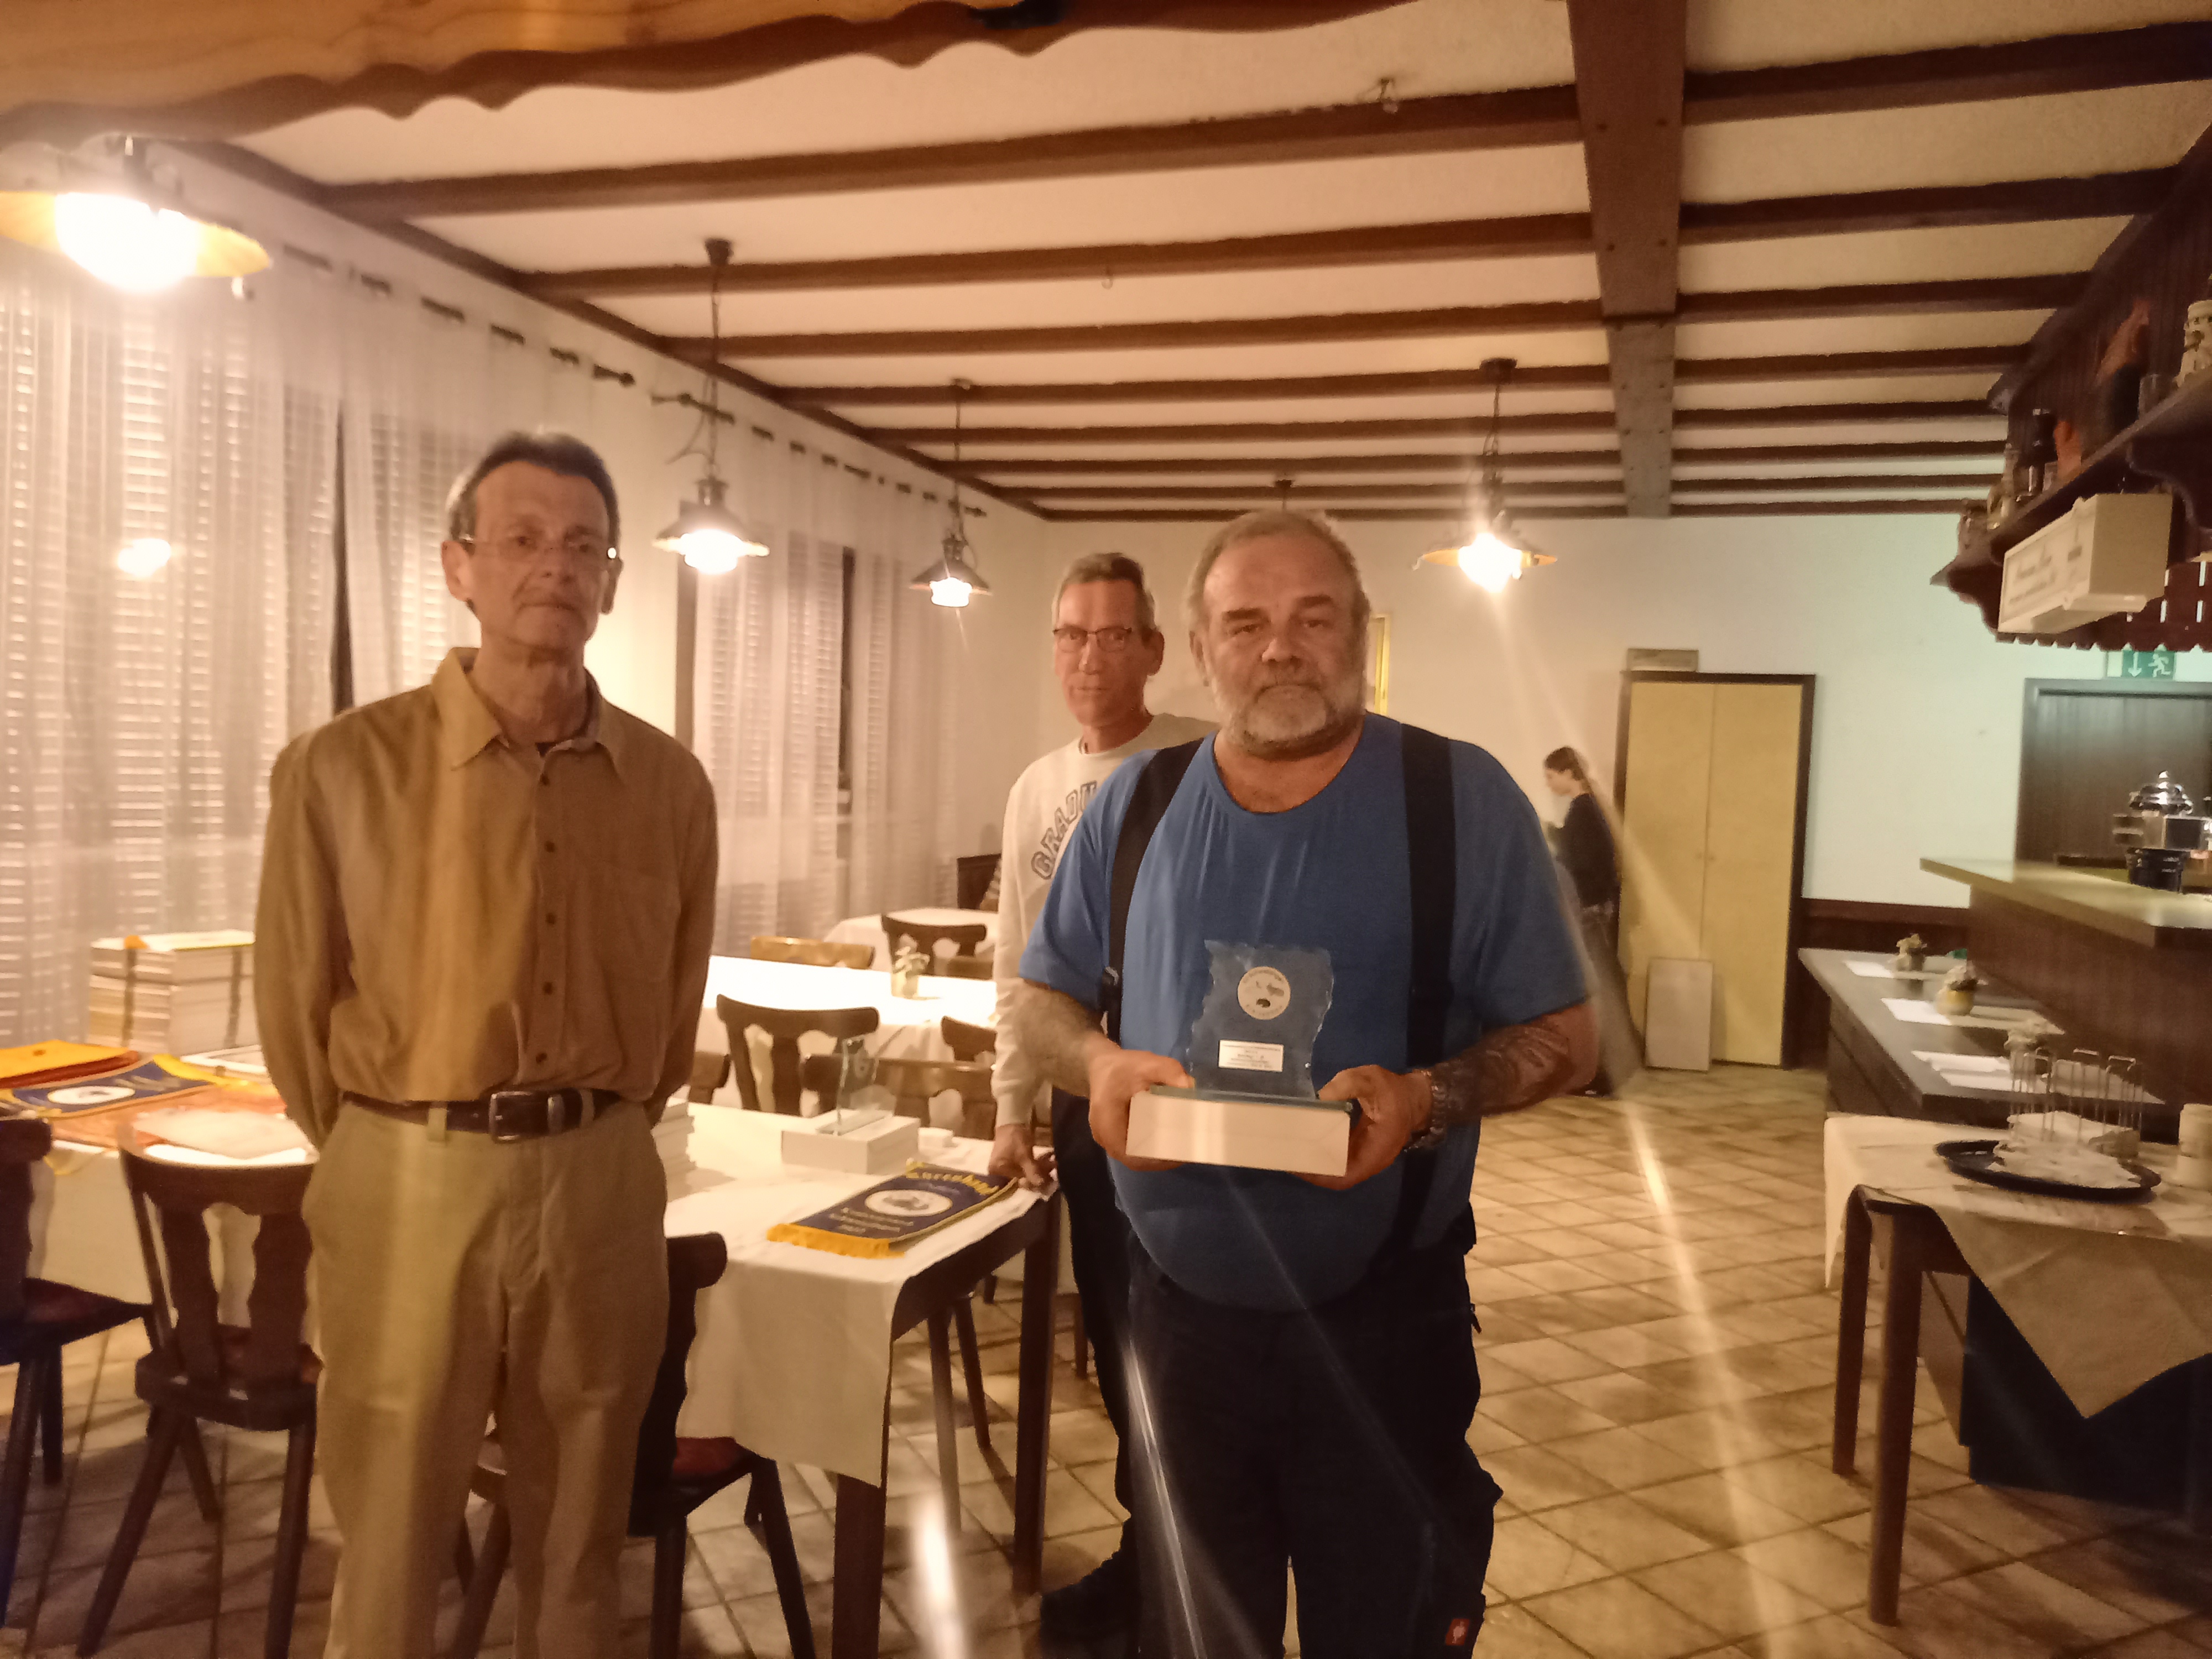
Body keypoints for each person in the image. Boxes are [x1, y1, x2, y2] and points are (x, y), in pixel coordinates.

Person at [1014, 510, 1596, 1656]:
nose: (1279, 647)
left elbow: (1568, 1039)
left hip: (1385, 1332)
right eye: (1245, 623)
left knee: (1381, 1631)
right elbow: (1039, 1004)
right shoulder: (1134, 806)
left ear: (1361, 636)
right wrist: (1098, 1062)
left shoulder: (1458, 800)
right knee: (1198, 1635)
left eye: (1311, 618)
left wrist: (1425, 1101)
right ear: (1199, 649)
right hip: (1177, 1332)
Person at [255, 431, 718, 1659]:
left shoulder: (672, 787)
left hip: (601, 1182)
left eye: (582, 545)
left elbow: (674, 1009)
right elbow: (294, 1012)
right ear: (459, 566)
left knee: (581, 1535)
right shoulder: (339, 770)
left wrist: (596, 1129)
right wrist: (403, 1136)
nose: (552, 565)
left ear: (612, 580)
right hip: (409, 1178)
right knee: (394, 1534)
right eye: (520, 539)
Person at [986, 551, 1212, 1641]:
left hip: (1187, 1099)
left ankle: (1198, 1574)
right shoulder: (1036, 787)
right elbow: (1017, 963)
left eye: (1112, 635)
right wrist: (1010, 1109)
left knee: (1190, 1351)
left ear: (1154, 650)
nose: (1088, 657)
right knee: (1122, 1344)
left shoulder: (1196, 762)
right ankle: (1148, 1560)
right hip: (1084, 1101)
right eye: (1070, 635)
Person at [1544, 745, 1619, 927]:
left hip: (1591, 905)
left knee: (1593, 946)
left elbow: (1582, 857)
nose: (1548, 783)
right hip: (1595, 902)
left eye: (1551, 776)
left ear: (1568, 773)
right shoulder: (1586, 807)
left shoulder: (1583, 810)